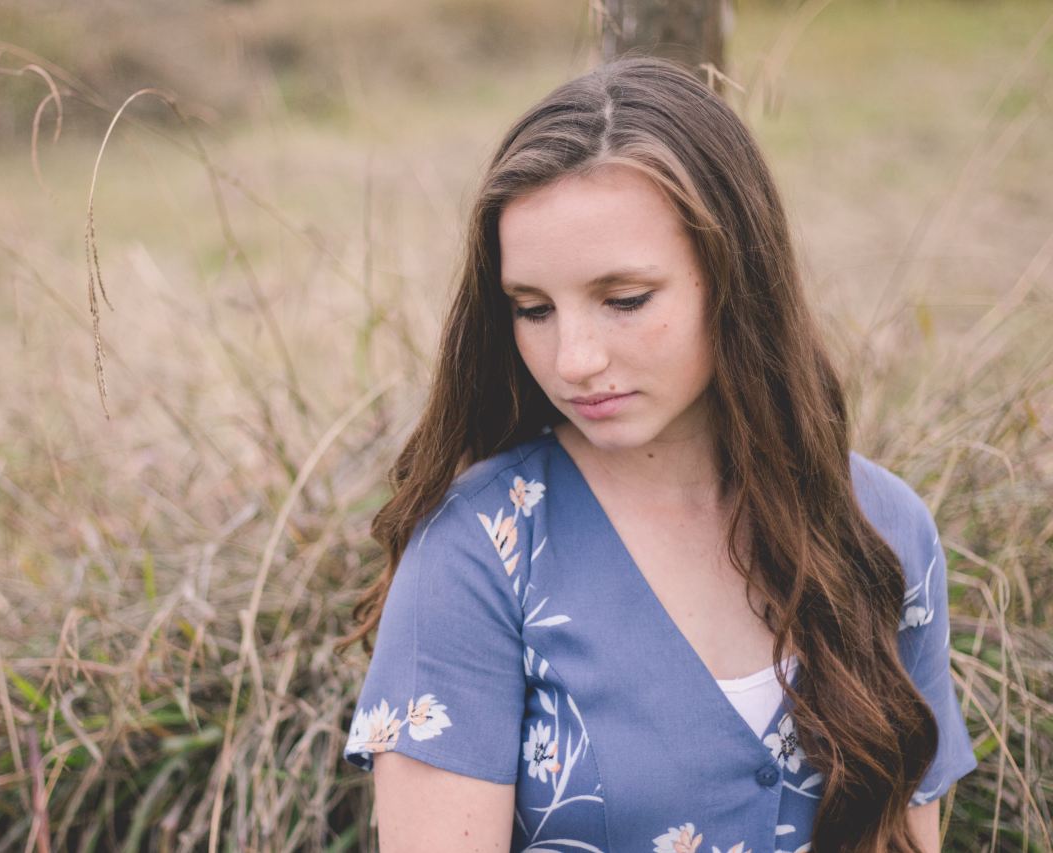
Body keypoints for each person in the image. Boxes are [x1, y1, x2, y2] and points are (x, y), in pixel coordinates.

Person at [334, 56, 976, 853]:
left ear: (735, 275)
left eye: (625, 300)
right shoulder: (482, 549)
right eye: (532, 309)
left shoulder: (880, 529)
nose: (573, 358)